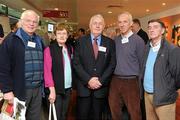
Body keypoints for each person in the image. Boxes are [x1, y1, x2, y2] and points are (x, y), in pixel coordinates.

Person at [0, 10, 44, 120]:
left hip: (37, 90)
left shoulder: (39, 40)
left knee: (34, 118)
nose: (31, 24)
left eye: (34, 21)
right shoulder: (11, 40)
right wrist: (7, 91)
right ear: (21, 22)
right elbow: (3, 67)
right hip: (18, 91)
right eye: (28, 21)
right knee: (18, 118)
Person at [73, 14, 116, 120]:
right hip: (84, 88)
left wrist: (100, 81)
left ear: (104, 26)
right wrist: (88, 80)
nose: (97, 26)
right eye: (95, 23)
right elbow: (76, 63)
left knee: (97, 117)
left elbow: (112, 64)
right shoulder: (80, 41)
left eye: (100, 23)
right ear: (90, 25)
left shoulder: (110, 43)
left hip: (100, 89)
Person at [139, 19, 180, 120]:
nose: (151, 30)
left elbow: (178, 75)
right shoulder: (146, 48)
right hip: (147, 95)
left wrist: (169, 91)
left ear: (162, 31)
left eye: (155, 27)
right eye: (149, 28)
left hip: (164, 97)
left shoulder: (172, 50)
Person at [108, 12, 145, 120]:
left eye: (125, 21)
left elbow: (142, 64)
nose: (122, 24)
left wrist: (140, 86)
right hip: (115, 81)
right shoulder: (115, 40)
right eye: (120, 22)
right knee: (114, 111)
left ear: (131, 24)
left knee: (135, 113)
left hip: (131, 82)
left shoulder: (138, 41)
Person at [44, 24, 73, 120]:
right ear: (55, 35)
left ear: (67, 35)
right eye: (59, 33)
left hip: (67, 89)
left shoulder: (69, 48)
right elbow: (47, 71)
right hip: (55, 90)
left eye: (64, 33)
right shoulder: (49, 49)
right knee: (55, 116)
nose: (61, 36)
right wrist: (52, 91)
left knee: (63, 116)